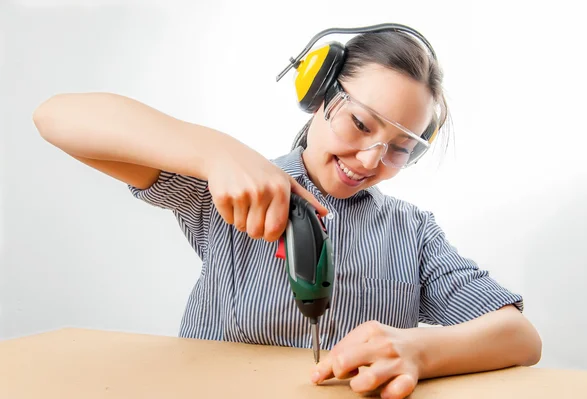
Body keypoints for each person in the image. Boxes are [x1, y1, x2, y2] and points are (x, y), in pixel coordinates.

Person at [33, 23, 541, 399]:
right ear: (319, 93)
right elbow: (55, 117)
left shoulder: (412, 232)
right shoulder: (230, 185)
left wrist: (420, 351)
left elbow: (520, 337)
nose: (371, 160)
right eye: (361, 125)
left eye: (399, 148)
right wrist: (213, 152)